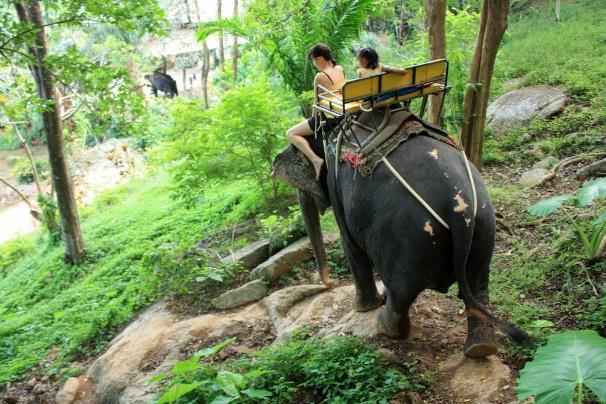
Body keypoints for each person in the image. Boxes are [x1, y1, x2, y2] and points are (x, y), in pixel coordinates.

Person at [286, 44, 346, 181]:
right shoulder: (340, 69)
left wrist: (312, 121)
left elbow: (316, 104)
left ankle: (315, 160)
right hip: (342, 112)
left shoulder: (320, 76)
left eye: (313, 60)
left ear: (319, 59)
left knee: (290, 133)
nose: (313, 64)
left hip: (328, 117)